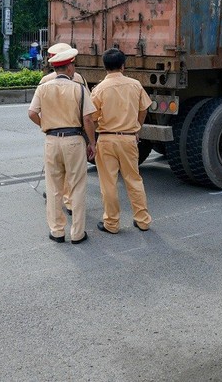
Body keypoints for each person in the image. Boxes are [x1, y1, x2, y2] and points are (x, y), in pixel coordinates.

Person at [27, 47, 97, 244]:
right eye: (73, 65)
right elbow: (88, 119)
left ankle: (57, 231)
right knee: (77, 187)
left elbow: (32, 113)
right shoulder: (79, 88)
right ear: (69, 68)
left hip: (52, 141)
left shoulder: (43, 87)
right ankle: (77, 233)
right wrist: (92, 143)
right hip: (74, 140)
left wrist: (46, 126)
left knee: (54, 187)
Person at [90, 48, 153, 234]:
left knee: (108, 182)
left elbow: (92, 118)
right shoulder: (135, 85)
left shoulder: (99, 89)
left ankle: (112, 223)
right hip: (129, 138)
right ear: (123, 66)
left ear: (104, 67)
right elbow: (144, 110)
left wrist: (92, 140)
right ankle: (143, 220)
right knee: (134, 179)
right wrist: (137, 128)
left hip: (107, 138)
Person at [38, 42, 88, 216]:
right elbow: (87, 111)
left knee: (54, 177)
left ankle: (57, 226)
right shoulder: (79, 79)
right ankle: (71, 204)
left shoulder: (45, 81)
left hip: (52, 135)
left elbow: (35, 111)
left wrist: (45, 126)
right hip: (75, 133)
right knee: (73, 175)